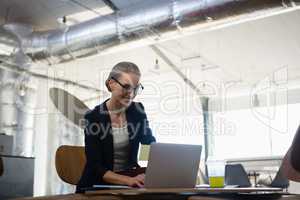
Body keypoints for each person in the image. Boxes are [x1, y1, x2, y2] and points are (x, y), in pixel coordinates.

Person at [76, 62, 156, 193]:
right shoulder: (93, 117)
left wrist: (154, 169)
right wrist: (128, 181)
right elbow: (95, 167)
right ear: (110, 83)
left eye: (136, 88)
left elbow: (148, 143)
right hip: (98, 185)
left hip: (129, 182)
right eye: (126, 87)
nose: (131, 94)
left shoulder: (137, 110)